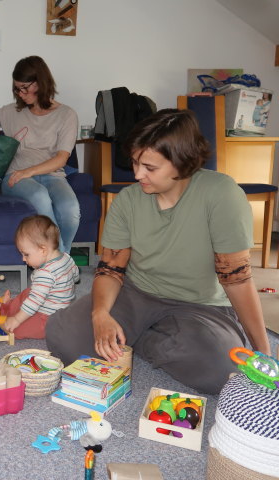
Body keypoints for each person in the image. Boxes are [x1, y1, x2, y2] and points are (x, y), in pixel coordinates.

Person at [46, 109, 271, 395]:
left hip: (202, 306)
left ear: (182, 163)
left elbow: (237, 279)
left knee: (221, 372)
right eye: (135, 162)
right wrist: (100, 314)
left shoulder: (221, 194)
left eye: (149, 168)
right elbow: (110, 268)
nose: (137, 174)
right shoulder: (127, 200)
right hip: (136, 293)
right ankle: (143, 336)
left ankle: (135, 338)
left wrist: (263, 351)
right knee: (64, 338)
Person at [0, 55, 80, 253]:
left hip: (52, 175)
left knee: (71, 210)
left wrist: (29, 172)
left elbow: (61, 158)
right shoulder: (11, 111)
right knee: (40, 197)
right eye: (17, 88)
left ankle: (57, 261)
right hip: (15, 176)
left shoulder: (67, 114)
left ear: (41, 82)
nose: (20, 93)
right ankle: (60, 264)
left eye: (25, 87)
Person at [0, 215, 79, 339]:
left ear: (43, 250)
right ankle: (7, 307)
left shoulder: (45, 273)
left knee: (18, 329)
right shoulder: (67, 258)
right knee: (28, 293)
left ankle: (12, 318)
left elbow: (34, 303)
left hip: (49, 318)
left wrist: (17, 320)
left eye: (26, 254)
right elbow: (76, 276)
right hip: (59, 307)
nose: (23, 259)